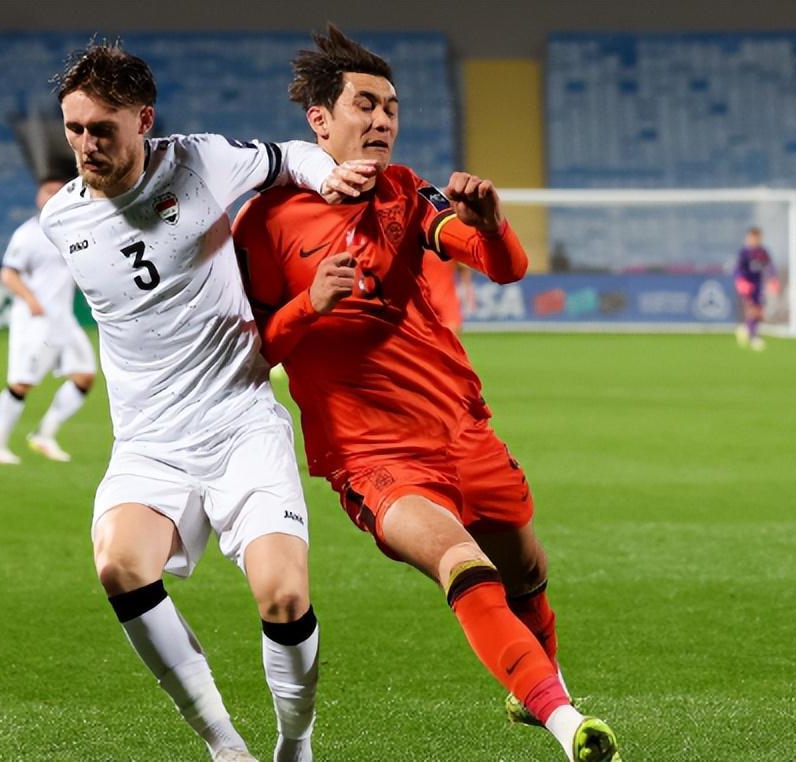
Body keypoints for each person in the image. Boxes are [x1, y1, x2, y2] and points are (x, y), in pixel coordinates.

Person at [232, 26, 622, 762]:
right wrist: (310, 305)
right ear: (319, 120)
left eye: (392, 108)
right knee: (461, 562)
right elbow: (249, 352)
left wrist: (492, 225)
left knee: (527, 570)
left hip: (460, 426)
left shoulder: (405, 190)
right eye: (365, 105)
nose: (383, 119)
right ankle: (567, 721)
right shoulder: (264, 221)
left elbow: (503, 266)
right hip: (371, 455)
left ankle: (537, 686)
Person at [39, 41, 373, 762]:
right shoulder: (59, 220)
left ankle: (295, 743)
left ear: (143, 120)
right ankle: (226, 747)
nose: (86, 145)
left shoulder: (198, 162)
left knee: (284, 597)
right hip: (150, 442)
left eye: (102, 129)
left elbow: (287, 156)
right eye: (74, 129)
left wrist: (328, 176)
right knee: (120, 565)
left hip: (238, 419)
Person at [0, 174, 97, 464]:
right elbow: (8, 274)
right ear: (38, 196)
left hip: (63, 319)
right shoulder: (28, 234)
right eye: (48, 191)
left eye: (58, 191)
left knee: (85, 375)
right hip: (35, 321)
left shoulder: (72, 230)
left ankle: (44, 435)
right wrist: (31, 300)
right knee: (22, 383)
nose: (52, 196)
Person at [734, 226, 780, 351]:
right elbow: (738, 268)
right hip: (746, 284)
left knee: (759, 311)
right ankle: (753, 337)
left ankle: (745, 328)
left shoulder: (763, 252)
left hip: (758, 284)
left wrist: (772, 279)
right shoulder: (744, 252)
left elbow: (769, 266)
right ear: (748, 238)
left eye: (757, 238)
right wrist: (740, 281)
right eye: (752, 238)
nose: (754, 240)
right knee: (751, 309)